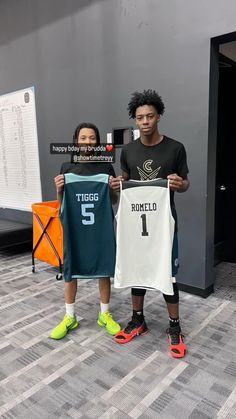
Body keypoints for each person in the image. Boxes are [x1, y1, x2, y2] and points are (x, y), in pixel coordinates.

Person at [110, 90, 189, 358]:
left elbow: (185, 183)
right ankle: (138, 319)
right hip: (136, 225)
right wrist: (117, 186)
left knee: (168, 274)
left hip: (165, 225)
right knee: (137, 269)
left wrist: (181, 183)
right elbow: (124, 183)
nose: (144, 121)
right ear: (135, 120)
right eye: (140, 117)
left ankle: (175, 326)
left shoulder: (175, 148)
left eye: (150, 116)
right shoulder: (128, 151)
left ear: (159, 117)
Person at [50, 122, 121, 339]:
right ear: (76, 141)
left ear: (97, 142)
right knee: (71, 271)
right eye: (83, 138)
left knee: (103, 269)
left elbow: (114, 201)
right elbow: (61, 203)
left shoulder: (105, 168)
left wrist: (112, 188)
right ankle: (69, 316)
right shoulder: (66, 168)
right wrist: (59, 189)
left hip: (99, 229)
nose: (87, 142)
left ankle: (105, 314)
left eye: (92, 138)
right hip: (75, 229)